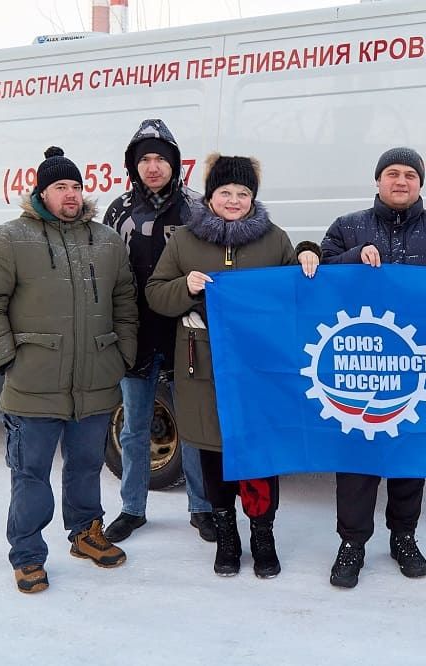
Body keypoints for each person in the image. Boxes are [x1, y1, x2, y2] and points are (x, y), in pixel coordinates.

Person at [0, 146, 139, 593]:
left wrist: (123, 353)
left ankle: (86, 533)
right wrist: (7, 356)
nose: (71, 194)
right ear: (42, 192)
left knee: (86, 466)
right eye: (60, 186)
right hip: (33, 382)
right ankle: (27, 554)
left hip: (95, 381)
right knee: (30, 475)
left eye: (76, 186)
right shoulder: (10, 239)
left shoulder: (106, 241)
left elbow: (125, 301)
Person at [146, 153, 320, 578]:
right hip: (203, 367)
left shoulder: (273, 238)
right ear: (210, 196)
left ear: (253, 197)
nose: (234, 200)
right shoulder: (184, 241)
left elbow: (297, 293)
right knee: (213, 453)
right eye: (226, 192)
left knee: (260, 454)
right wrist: (185, 288)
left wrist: (307, 254)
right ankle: (226, 537)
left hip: (259, 368)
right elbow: (155, 294)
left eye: (243, 193)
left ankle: (263, 535)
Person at [320, 146, 426, 589]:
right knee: (357, 456)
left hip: (417, 364)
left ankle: (404, 536)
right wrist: (353, 256)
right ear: (378, 180)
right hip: (359, 364)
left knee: (409, 455)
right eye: (392, 173)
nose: (401, 181)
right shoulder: (347, 227)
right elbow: (319, 276)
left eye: (409, 175)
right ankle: (352, 543)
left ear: (420, 183)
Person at [101, 119, 216, 544]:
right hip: (136, 335)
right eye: (145, 159)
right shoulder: (118, 211)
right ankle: (132, 508)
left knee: (194, 425)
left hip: (186, 332)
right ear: (134, 165)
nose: (153, 167)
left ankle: (202, 508)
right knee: (134, 426)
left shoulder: (197, 208)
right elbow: (107, 273)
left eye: (161, 159)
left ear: (175, 164)